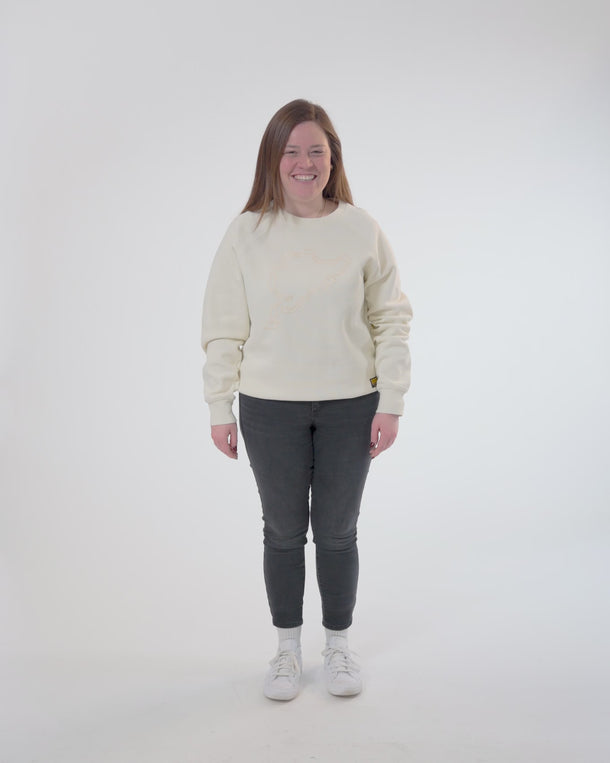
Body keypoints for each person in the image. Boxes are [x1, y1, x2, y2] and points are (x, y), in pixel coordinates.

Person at [201, 99, 412, 701]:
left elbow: (391, 319)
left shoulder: (361, 228)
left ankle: (338, 647)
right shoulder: (246, 233)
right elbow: (224, 327)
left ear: (332, 159)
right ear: (273, 159)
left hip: (351, 406)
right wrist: (219, 406)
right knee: (283, 531)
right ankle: (287, 651)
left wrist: (391, 399)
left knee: (338, 532)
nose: (304, 162)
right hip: (270, 408)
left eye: (316, 150)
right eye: (291, 151)